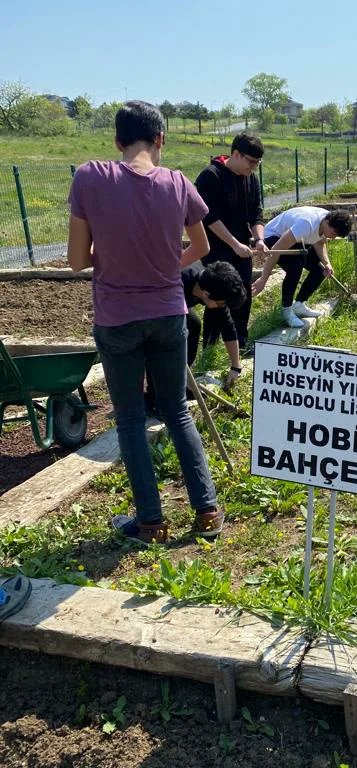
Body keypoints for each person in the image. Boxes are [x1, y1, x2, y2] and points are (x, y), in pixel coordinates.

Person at [67, 100, 223, 545]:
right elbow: (202, 246)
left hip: (117, 319)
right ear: (161, 139)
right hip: (170, 313)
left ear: (117, 140)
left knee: (131, 420)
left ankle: (151, 523)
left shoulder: (91, 177)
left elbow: (78, 260)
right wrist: (164, 263)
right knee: (176, 411)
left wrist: (120, 260)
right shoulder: (177, 182)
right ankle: (207, 512)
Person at [194, 132, 267, 352]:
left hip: (241, 248)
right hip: (215, 249)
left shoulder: (250, 179)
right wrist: (234, 243)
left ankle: (240, 341)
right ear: (236, 154)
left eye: (257, 163)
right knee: (217, 296)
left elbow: (256, 213)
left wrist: (259, 239)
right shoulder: (211, 176)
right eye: (251, 162)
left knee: (242, 293)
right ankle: (210, 346)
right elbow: (208, 216)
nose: (253, 167)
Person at [145, 261, 247, 412]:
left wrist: (235, 367)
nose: (221, 307)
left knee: (192, 325)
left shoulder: (213, 285)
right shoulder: (178, 282)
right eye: (220, 304)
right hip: (147, 306)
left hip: (175, 305)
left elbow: (228, 327)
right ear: (206, 295)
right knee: (162, 345)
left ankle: (179, 383)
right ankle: (155, 396)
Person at [251, 207, 353, 327]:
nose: (333, 238)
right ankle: (286, 310)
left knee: (321, 269)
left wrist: (327, 264)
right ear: (327, 223)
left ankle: (299, 304)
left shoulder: (327, 220)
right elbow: (275, 251)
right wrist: (263, 279)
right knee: (295, 267)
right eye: (333, 234)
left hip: (296, 238)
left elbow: (320, 242)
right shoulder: (306, 224)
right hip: (273, 237)